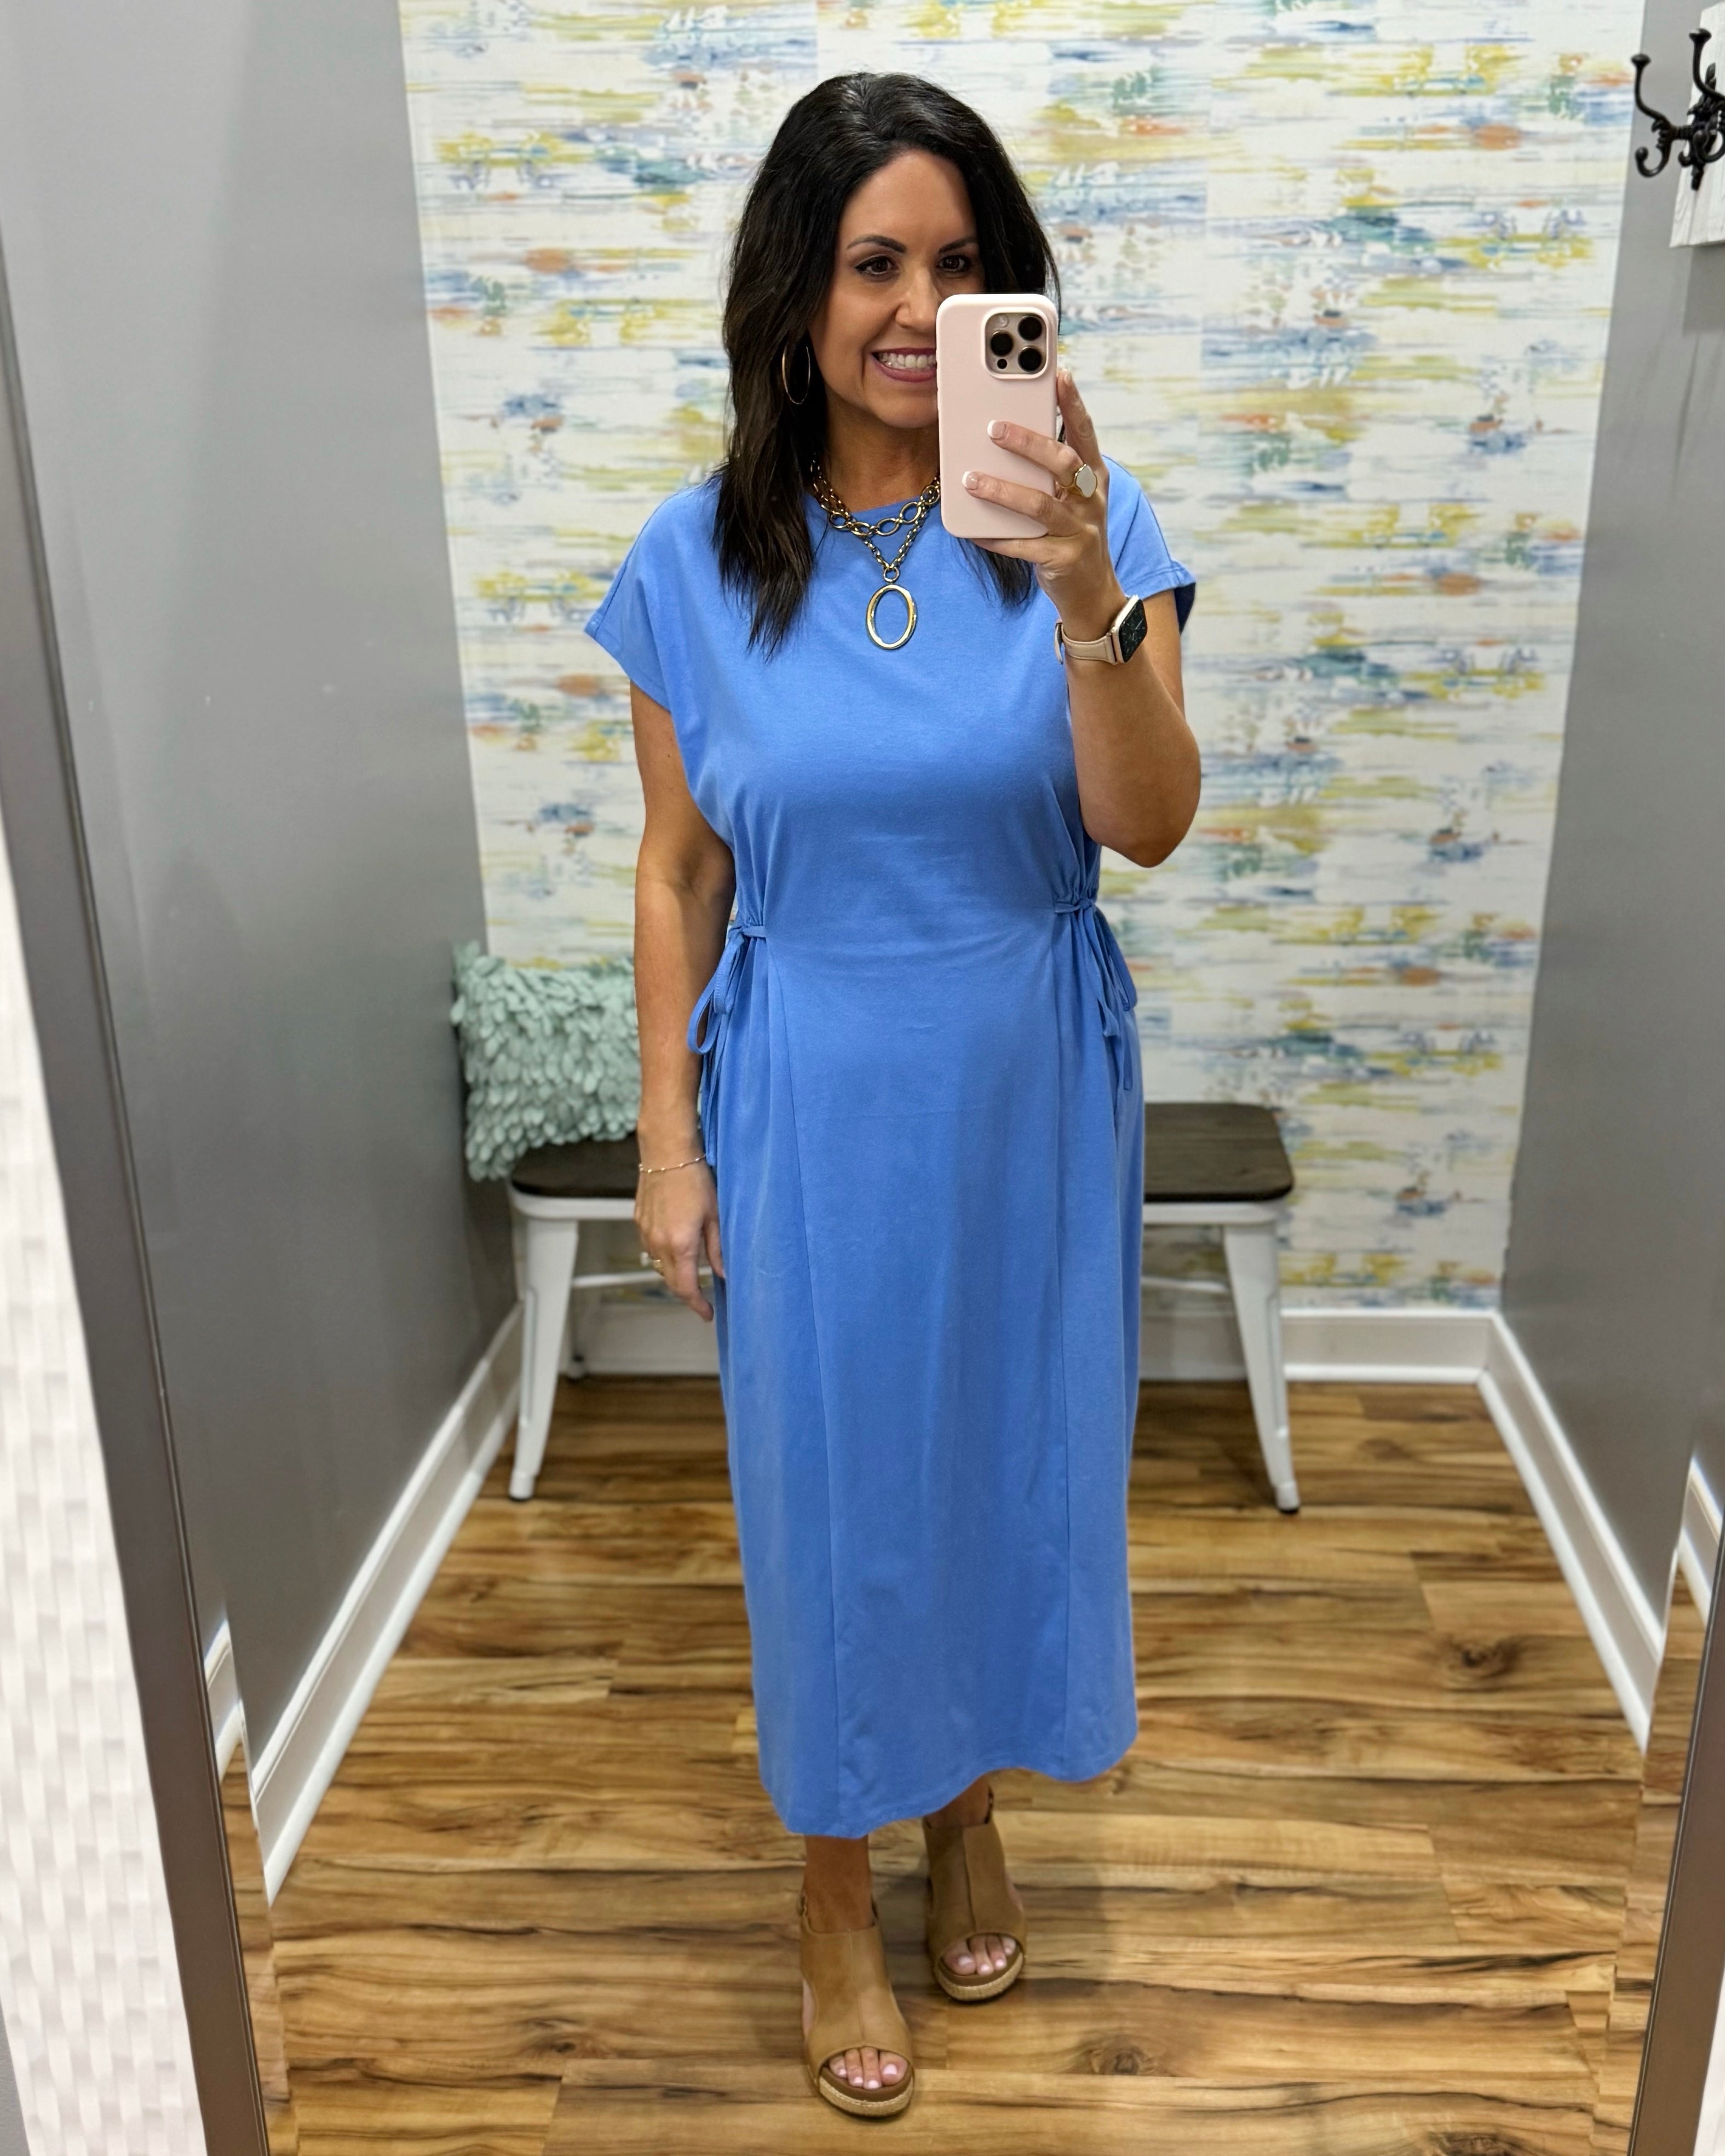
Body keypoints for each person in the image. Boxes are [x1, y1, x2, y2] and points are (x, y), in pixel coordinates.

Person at [585, 70, 1199, 2120]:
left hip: (1031, 1082)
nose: (918, 309)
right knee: (832, 1491)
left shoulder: (1094, 528)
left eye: (959, 265)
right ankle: (834, 1880)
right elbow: (680, 870)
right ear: (796, 291)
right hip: (812, 1093)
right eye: (874, 264)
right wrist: (668, 1141)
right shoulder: (693, 560)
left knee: (1010, 1461)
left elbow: (1150, 822)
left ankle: (967, 1803)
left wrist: (1091, 598)